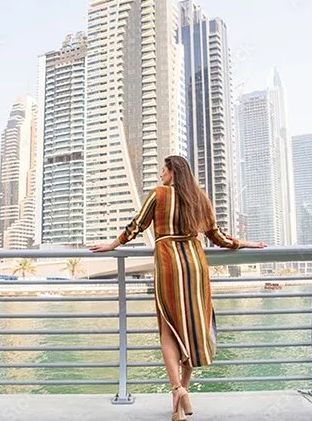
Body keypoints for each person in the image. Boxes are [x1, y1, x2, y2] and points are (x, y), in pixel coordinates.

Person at [90, 155, 266, 420]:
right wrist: (245, 243)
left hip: (169, 263)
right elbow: (217, 236)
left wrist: (112, 245)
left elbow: (136, 226)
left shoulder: (158, 194)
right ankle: (183, 395)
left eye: (164, 169)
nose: (161, 174)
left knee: (168, 329)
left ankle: (176, 390)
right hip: (195, 265)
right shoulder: (199, 198)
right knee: (191, 328)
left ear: (173, 171)